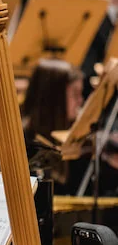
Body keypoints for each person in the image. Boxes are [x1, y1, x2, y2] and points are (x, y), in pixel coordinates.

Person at [21, 58, 84, 192]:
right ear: (53, 98)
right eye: (75, 93)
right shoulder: (26, 145)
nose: (80, 101)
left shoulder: (74, 139)